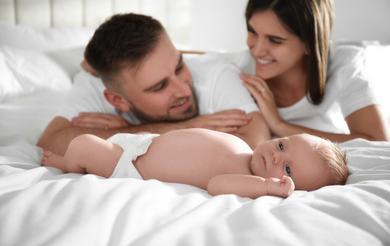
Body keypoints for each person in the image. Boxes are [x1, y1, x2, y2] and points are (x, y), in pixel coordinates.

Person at [37, 13, 271, 156]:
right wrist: (183, 127)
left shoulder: (217, 73)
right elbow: (49, 144)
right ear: (117, 100)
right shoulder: (94, 83)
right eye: (159, 86)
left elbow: (254, 145)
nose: (183, 89)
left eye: (180, 66)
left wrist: (122, 136)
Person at [238, 0, 389, 142]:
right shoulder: (237, 67)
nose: (257, 50)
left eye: (275, 41)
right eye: (252, 31)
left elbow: (378, 142)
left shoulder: (343, 66)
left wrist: (280, 126)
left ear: (310, 43)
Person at [41, 128, 348, 199]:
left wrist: (268, 186)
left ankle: (66, 164)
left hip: (130, 166)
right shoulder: (243, 147)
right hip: (143, 143)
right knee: (91, 143)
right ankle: (71, 159)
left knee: (83, 144)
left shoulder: (243, 176)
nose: (277, 155)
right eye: (282, 144)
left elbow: (216, 185)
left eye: (288, 169)